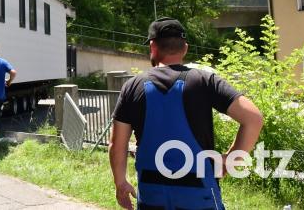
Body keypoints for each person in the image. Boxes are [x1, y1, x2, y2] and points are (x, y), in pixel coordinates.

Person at [109, 18, 263, 210]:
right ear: (185, 48)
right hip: (200, 197)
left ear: (152, 47)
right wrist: (231, 160)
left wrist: (120, 183)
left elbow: (117, 144)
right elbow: (254, 119)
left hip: (152, 197)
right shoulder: (205, 81)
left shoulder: (132, 86)